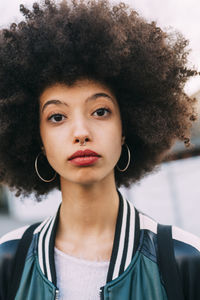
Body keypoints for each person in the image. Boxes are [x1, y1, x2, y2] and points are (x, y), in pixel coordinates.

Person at [0, 0, 199, 299]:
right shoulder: (9, 260)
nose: (81, 133)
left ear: (125, 127)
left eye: (100, 111)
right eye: (57, 117)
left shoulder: (184, 259)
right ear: (37, 137)